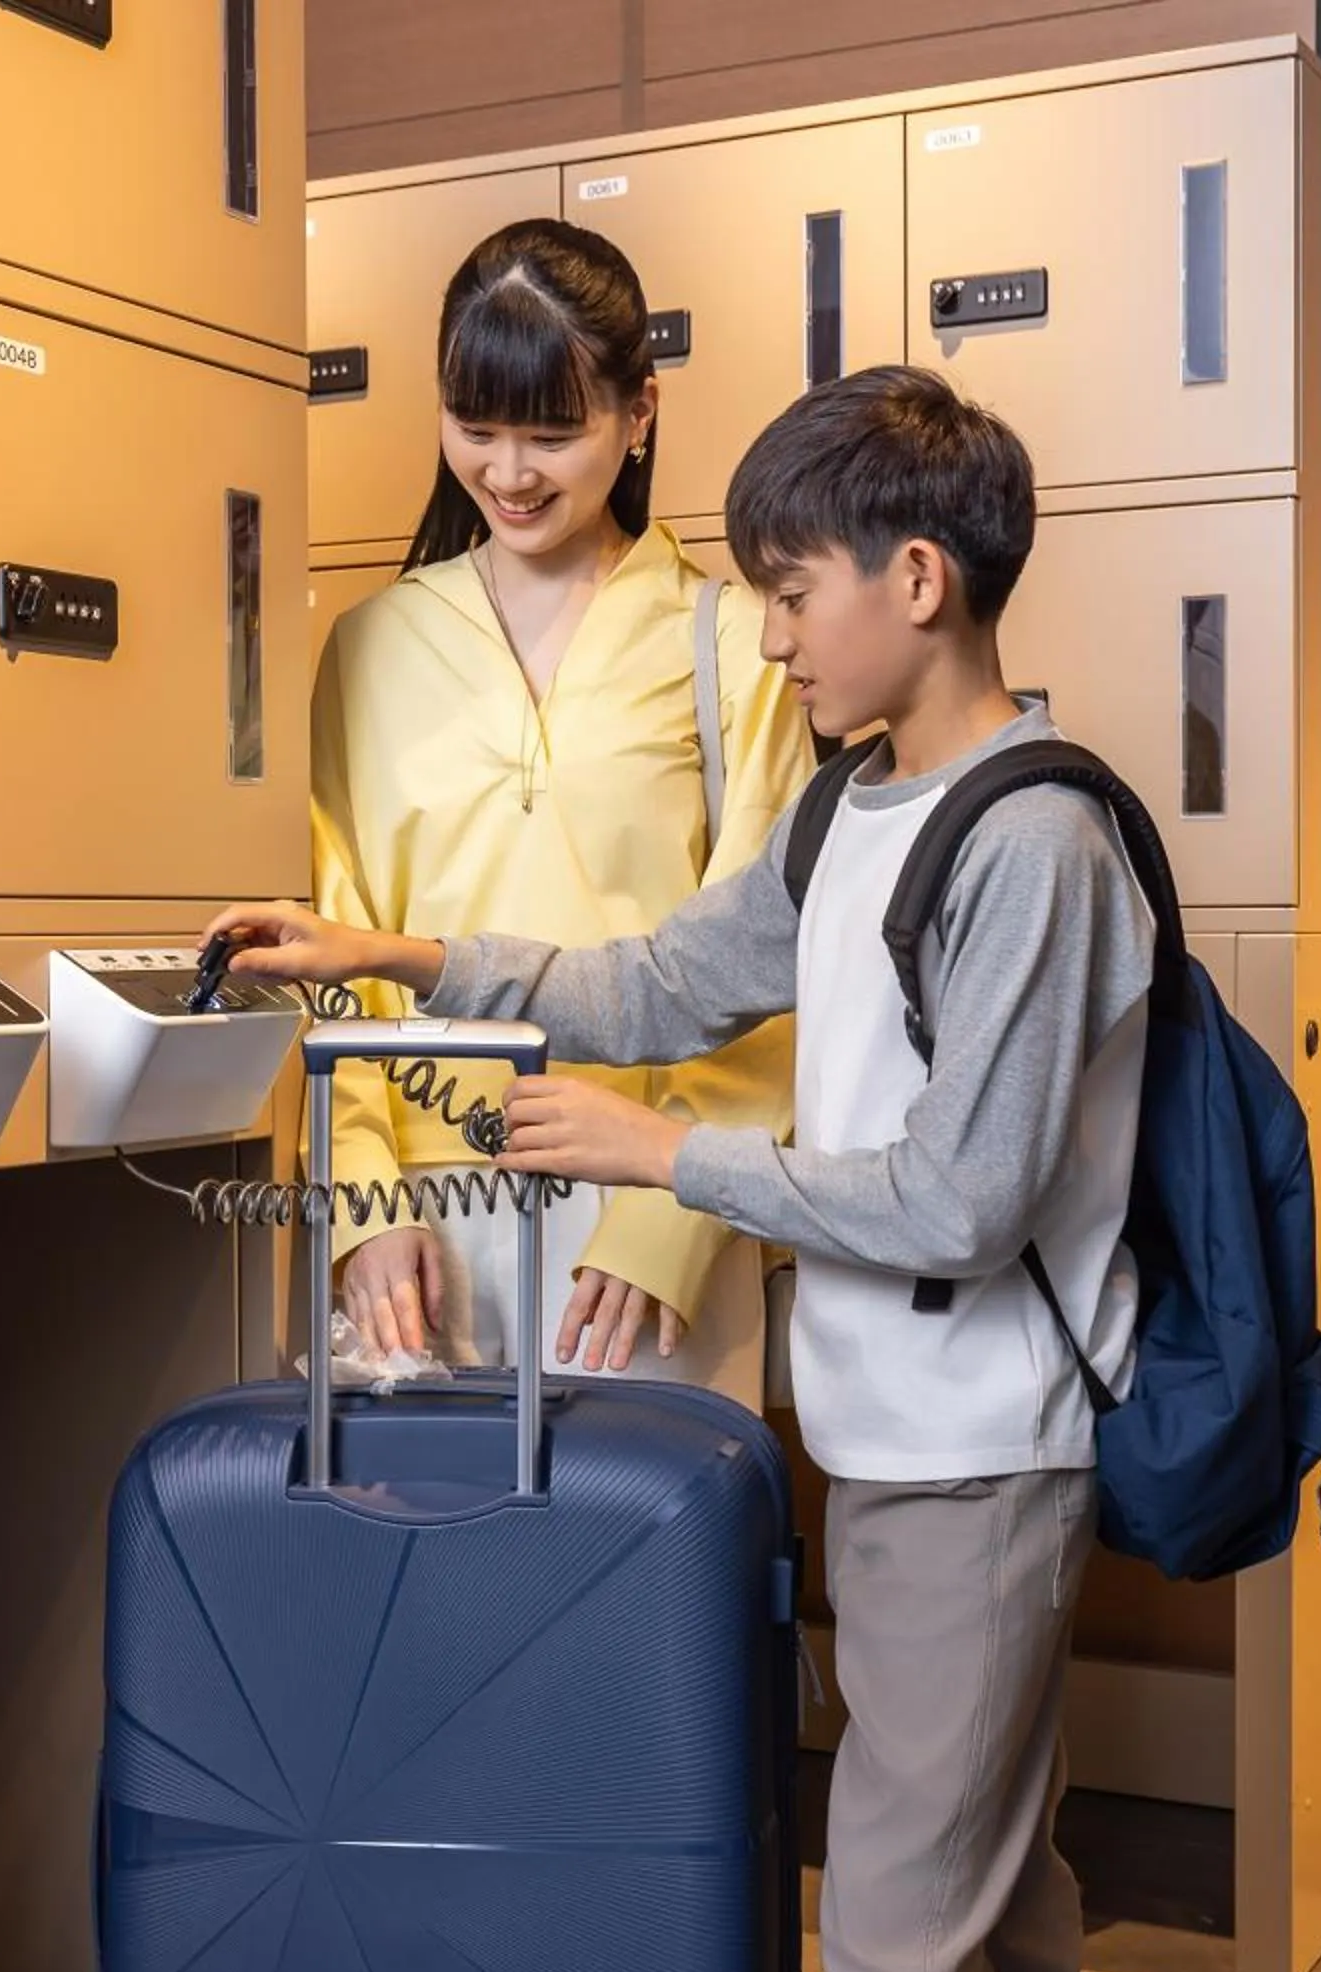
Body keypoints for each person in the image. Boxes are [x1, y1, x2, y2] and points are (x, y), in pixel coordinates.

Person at [212, 363, 1155, 1972]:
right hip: (895, 1433)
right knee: (997, 1903)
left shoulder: (1031, 844)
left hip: (982, 1451)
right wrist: (391, 953)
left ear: (914, 581)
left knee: (894, 1944)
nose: (769, 643)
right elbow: (652, 986)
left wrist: (662, 1157)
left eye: (792, 595)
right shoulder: (849, 812)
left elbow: (962, 1203)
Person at [306, 216, 814, 1402]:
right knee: (412, 1531)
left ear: (640, 413)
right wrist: (360, 1207)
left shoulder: (735, 643)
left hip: (651, 1223)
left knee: (652, 1529)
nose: (509, 473)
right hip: (419, 1236)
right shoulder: (368, 647)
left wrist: (666, 1220)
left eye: (551, 434)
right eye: (474, 428)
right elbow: (334, 948)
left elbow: (773, 968)